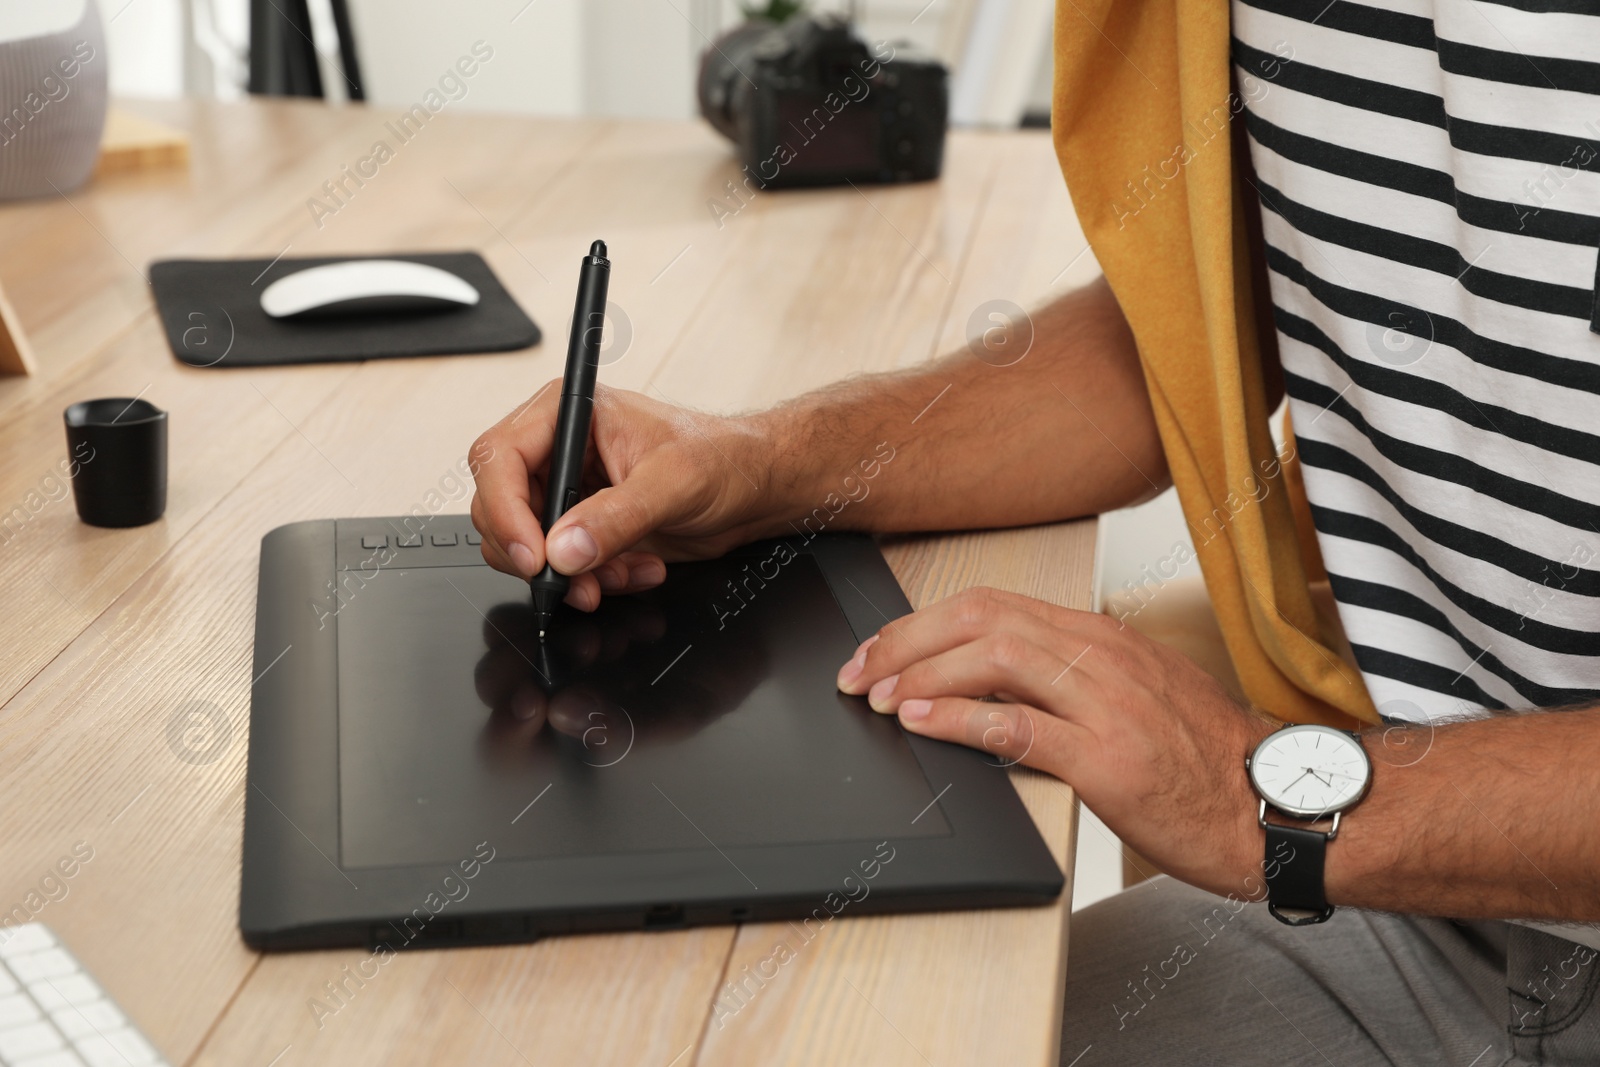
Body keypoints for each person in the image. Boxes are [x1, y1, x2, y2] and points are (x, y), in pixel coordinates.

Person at [471, 0, 1600, 1061]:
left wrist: (1263, 789)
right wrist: (770, 464)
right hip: (1433, 905)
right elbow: (1217, 310)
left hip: (1412, 839)